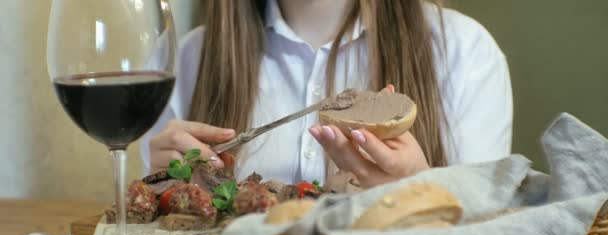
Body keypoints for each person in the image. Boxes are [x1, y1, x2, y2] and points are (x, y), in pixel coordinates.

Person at [141, 0, 512, 189]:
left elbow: (487, 234)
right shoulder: (186, 59)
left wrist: (420, 189)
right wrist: (164, 188)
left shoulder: (465, 52)